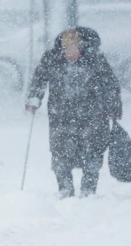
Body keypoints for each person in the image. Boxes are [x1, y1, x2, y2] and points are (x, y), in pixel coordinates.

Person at [25, 27, 122, 198]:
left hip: (93, 115)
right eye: (65, 49)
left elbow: (110, 85)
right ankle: (65, 188)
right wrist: (34, 99)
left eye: (73, 49)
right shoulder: (52, 59)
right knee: (60, 152)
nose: (68, 53)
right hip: (60, 115)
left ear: (82, 47)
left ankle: (89, 189)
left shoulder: (96, 60)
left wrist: (113, 107)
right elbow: (39, 79)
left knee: (92, 152)